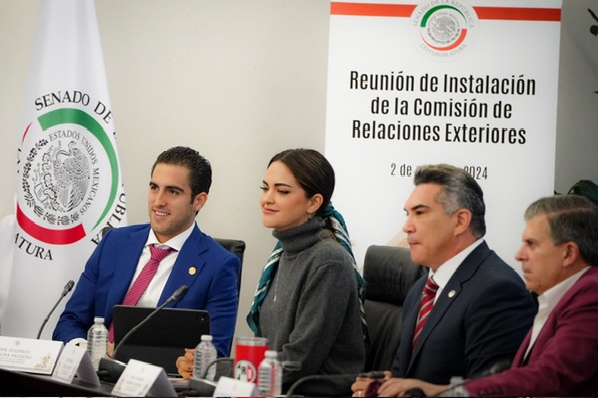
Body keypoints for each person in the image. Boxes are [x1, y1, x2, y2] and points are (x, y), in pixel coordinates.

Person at [352, 164, 536, 397]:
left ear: (460, 221)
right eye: (407, 214)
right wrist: (381, 389)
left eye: (420, 213)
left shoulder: (499, 291)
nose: (407, 227)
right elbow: (404, 376)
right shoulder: (420, 288)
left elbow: (491, 393)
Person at [393, 194, 598, 397]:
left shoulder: (591, 293)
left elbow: (551, 375)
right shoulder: (559, 298)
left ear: (568, 253)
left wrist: (449, 392)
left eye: (531, 244)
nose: (519, 255)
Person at [53, 146, 241, 362]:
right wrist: (88, 353)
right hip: (91, 372)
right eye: (154, 187)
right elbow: (70, 321)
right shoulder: (114, 243)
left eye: (173, 191)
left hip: (158, 379)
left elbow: (214, 355)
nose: (158, 201)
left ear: (198, 201)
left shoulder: (219, 266)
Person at [247, 148, 367, 396]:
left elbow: (298, 362)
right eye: (265, 188)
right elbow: (265, 349)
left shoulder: (328, 261)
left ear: (313, 203)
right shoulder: (283, 253)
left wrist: (224, 370)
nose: (267, 199)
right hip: (277, 388)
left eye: (282, 191)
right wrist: (210, 366)